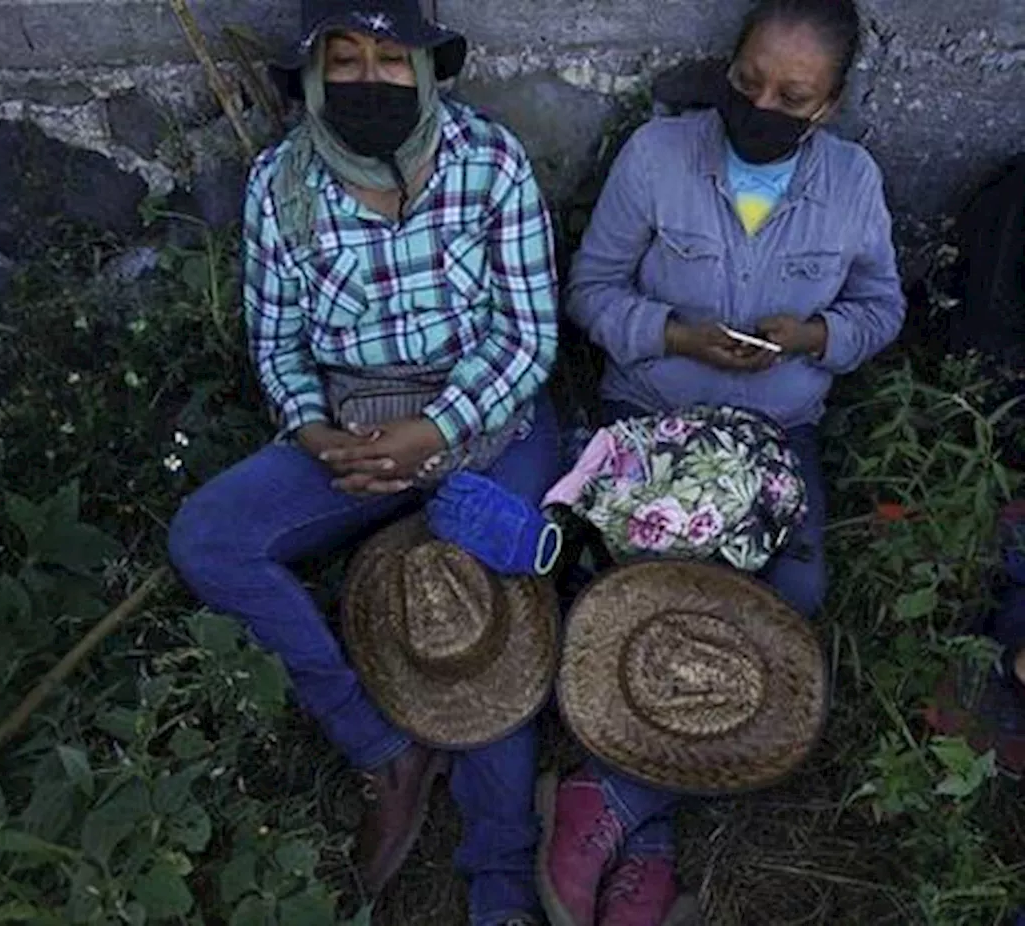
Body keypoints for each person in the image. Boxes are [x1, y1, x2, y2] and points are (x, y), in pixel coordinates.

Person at [167, 2, 561, 923]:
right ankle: (382, 748)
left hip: (484, 414)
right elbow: (277, 347)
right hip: (349, 419)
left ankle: (499, 874)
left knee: (493, 593)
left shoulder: (489, 162)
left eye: (391, 59)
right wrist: (315, 435)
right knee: (209, 538)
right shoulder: (281, 186)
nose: (368, 81)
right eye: (343, 60)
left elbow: (527, 338)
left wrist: (434, 430)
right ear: (310, 76)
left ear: (427, 70)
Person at [535, 0, 906, 923]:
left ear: (830, 103)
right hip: (654, 411)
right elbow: (589, 289)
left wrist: (817, 334)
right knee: (637, 588)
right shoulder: (659, 157)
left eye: (793, 95)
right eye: (748, 83)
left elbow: (881, 307)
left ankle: (612, 799)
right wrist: (676, 335)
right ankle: (652, 833)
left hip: (781, 436)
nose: (763, 105)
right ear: (726, 68)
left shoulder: (853, 182)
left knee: (796, 596)